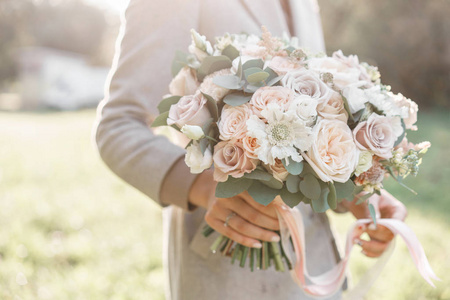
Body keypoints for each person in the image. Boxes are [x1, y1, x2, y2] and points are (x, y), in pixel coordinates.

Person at [94, 0, 407, 299]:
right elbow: (119, 125)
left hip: (318, 268)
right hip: (227, 271)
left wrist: (353, 189)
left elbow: (317, 118)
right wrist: (201, 187)